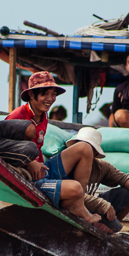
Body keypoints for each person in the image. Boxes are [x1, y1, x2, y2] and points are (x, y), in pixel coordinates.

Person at [7, 72, 101, 224]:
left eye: (53, 94)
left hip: (43, 170)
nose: (50, 99)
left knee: (85, 148)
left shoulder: (43, 116)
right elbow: (3, 149)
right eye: (45, 94)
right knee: (75, 189)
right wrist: (28, 163)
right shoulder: (17, 116)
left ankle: (79, 204)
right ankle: (75, 201)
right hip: (30, 178)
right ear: (31, 94)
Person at [65, 127, 129, 233]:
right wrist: (102, 205)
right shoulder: (67, 164)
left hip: (89, 206)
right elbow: (69, 194)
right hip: (70, 205)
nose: (84, 153)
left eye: (89, 150)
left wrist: (117, 181)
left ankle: (107, 228)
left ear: (95, 153)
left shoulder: (100, 166)